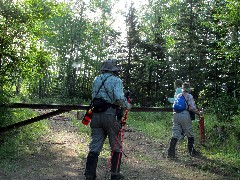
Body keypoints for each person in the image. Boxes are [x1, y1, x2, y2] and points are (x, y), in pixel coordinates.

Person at [84, 59, 131, 180]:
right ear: (114, 70)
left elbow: (94, 96)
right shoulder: (116, 80)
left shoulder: (96, 79)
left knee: (94, 146)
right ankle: (115, 174)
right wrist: (128, 105)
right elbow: (119, 98)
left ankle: (89, 174)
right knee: (116, 145)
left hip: (95, 114)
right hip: (110, 115)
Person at [167, 82, 202, 158]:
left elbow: (174, 106)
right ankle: (192, 151)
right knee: (190, 133)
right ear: (188, 89)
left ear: (183, 89)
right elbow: (192, 108)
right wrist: (199, 113)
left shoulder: (179, 95)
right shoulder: (189, 96)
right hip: (184, 115)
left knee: (175, 133)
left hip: (175, 115)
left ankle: (170, 153)